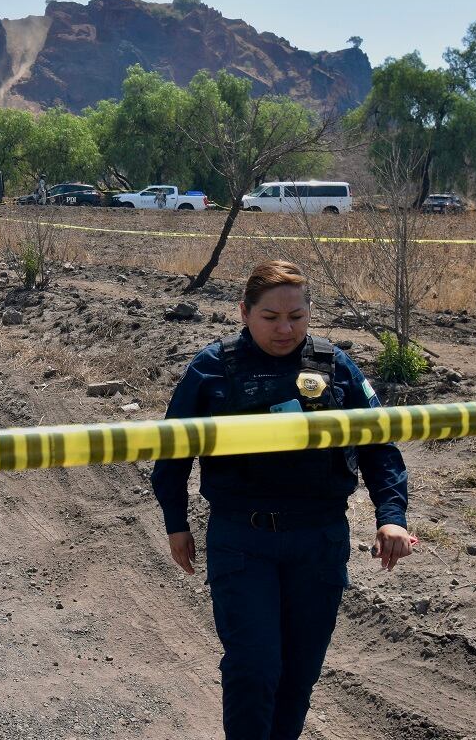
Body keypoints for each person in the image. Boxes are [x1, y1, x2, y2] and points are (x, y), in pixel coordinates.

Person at [150, 260, 411, 740]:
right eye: (270, 317)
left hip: (319, 540)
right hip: (242, 540)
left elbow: (381, 447)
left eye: (297, 316)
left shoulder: (337, 367)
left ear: (310, 312)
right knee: (254, 668)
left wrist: (391, 517)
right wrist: (176, 522)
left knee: (297, 674)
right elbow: (172, 453)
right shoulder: (211, 368)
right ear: (244, 312)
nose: (285, 328)